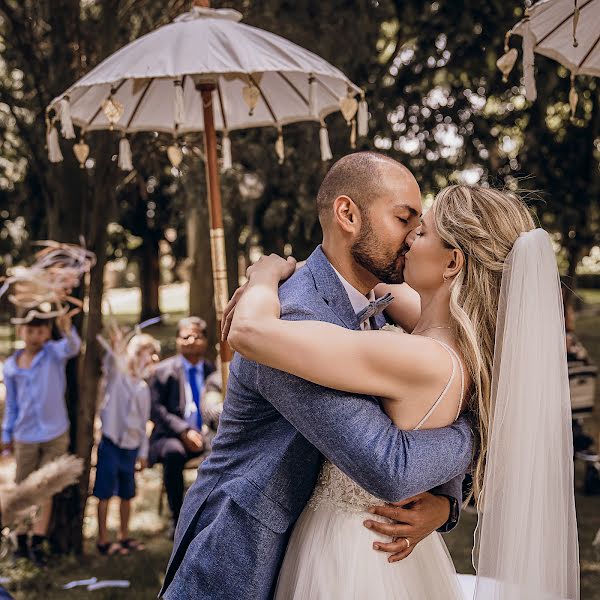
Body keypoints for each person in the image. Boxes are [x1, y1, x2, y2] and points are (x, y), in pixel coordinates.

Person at [224, 182, 578, 599]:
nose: (410, 239)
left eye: (423, 231)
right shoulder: (449, 336)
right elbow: (367, 281)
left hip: (354, 550)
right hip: (393, 548)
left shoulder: (419, 357)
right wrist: (307, 269)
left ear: (452, 263)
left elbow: (249, 331)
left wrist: (262, 276)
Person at [160, 153, 473, 600]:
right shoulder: (291, 315)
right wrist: (477, 435)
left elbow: (430, 401)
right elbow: (386, 463)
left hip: (334, 556)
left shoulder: (377, 307)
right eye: (404, 219)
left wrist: (445, 504)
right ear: (348, 214)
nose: (412, 238)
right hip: (242, 557)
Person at [0, 313, 81, 565]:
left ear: (47, 333)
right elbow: (12, 403)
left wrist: (67, 328)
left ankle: (37, 540)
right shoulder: (12, 366)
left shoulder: (53, 354)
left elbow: (73, 347)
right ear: (21, 332)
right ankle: (20, 539)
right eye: (30, 331)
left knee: (46, 486)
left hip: (54, 432)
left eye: (40, 331)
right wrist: (6, 433)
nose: (35, 336)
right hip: (25, 434)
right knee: (23, 487)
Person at [93, 331, 160, 556]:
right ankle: (102, 539)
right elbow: (112, 360)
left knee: (127, 493)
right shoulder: (117, 376)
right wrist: (117, 346)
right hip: (111, 443)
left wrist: (142, 452)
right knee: (104, 492)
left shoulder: (143, 388)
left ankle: (123, 535)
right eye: (146, 355)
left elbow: (143, 424)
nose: (150, 361)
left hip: (131, 447)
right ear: (135, 353)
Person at [148, 317, 216, 535]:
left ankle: (209, 514)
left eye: (197, 336)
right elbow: (156, 409)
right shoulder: (163, 371)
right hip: (170, 435)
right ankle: (177, 518)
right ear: (177, 340)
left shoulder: (212, 371)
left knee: (218, 452)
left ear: (205, 341)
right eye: (185, 336)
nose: (191, 340)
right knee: (173, 453)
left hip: (205, 434)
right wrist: (183, 431)